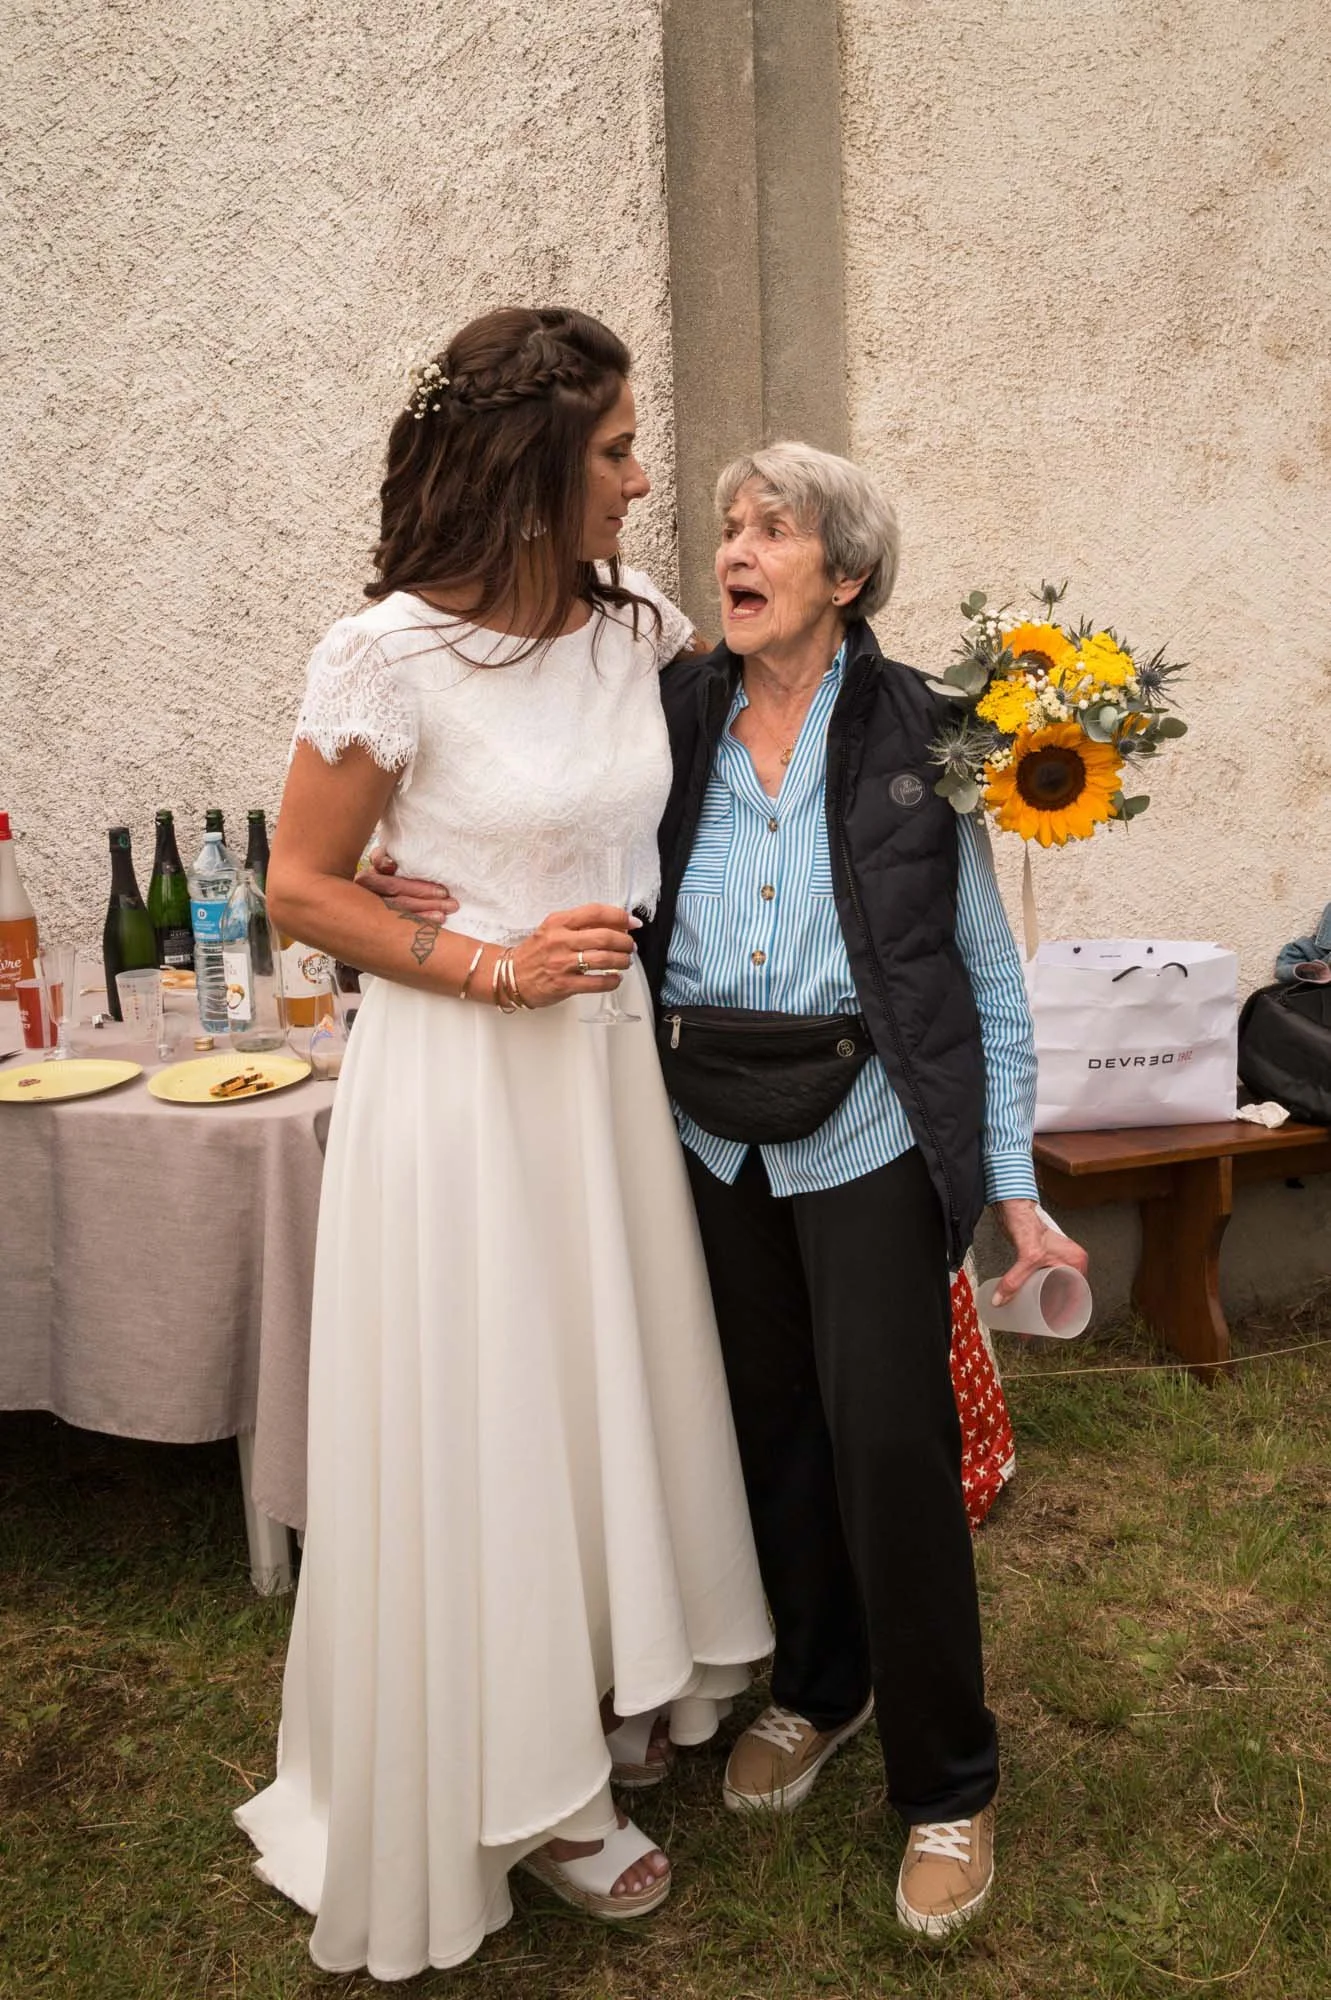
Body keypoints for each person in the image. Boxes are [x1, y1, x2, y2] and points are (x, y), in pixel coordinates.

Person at [364, 440, 1088, 1939]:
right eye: (725, 527)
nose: (734, 549)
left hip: (867, 1126)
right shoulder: (665, 706)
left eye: (775, 529)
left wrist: (1011, 1189)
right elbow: (533, 791)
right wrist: (391, 863)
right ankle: (815, 1688)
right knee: (765, 1436)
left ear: (846, 573)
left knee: (890, 1449)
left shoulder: (926, 733)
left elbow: (987, 987)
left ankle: (948, 1781)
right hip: (696, 1128)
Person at [235, 306, 771, 1980]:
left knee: (598, 1384)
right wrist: (483, 957)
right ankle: (515, 1786)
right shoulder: (380, 654)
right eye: (615, 449)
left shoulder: (642, 633)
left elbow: (696, 808)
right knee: (493, 1405)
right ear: (538, 469)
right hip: (465, 1089)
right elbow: (299, 887)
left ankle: (606, 1687)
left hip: (608, 1084)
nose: (638, 475)